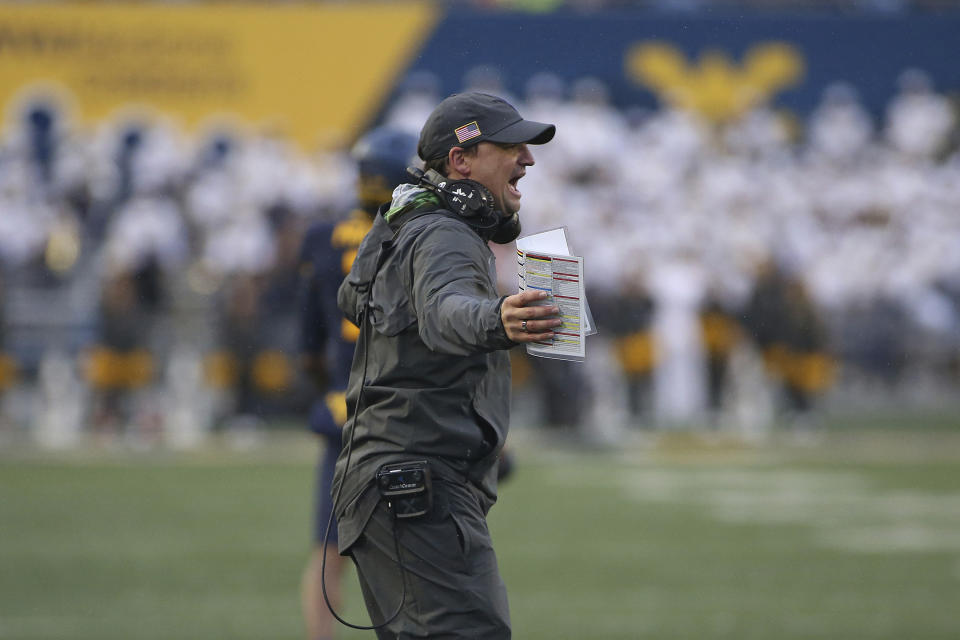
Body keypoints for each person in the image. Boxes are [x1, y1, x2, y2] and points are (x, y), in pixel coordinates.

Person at [332, 92, 557, 638]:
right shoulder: (444, 234)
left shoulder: (408, 223)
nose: (527, 158)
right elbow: (444, 311)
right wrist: (496, 319)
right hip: (416, 482)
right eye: (509, 146)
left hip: (394, 481)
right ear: (460, 162)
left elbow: (354, 299)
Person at [297, 125, 420, 640]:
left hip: (344, 406)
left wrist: (327, 381)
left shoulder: (321, 237)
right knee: (415, 551)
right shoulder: (418, 233)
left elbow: (308, 338)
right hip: (403, 408)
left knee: (328, 552)